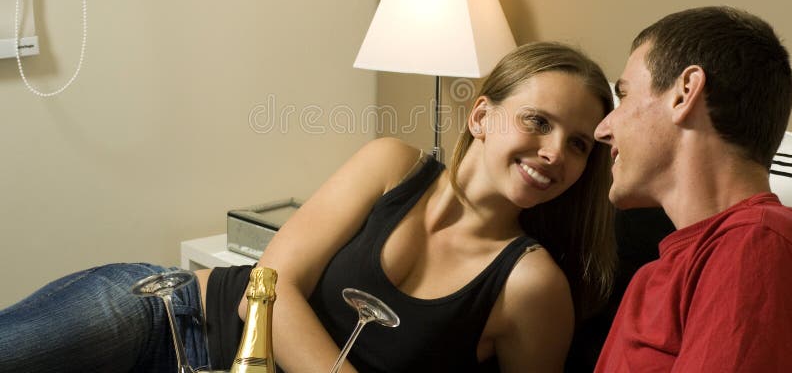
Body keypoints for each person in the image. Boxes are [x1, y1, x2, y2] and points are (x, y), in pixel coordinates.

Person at [0, 42, 617, 372]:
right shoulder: (392, 164)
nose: (554, 152)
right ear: (481, 115)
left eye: (579, 144)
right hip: (171, 318)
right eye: (538, 121)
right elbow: (263, 287)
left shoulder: (530, 285)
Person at [592, 6, 792, 371]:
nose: (603, 129)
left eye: (623, 97)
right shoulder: (649, 279)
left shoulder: (757, 241)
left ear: (684, 92)